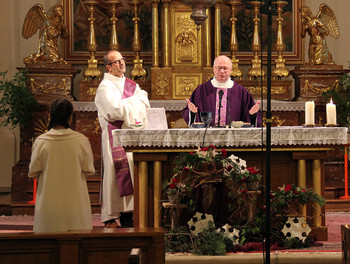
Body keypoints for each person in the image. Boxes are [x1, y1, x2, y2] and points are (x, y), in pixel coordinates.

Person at [94, 50, 150, 228]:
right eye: (117, 62)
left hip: (132, 135)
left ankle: (128, 214)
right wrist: (133, 103)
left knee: (131, 175)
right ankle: (110, 217)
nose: (122, 64)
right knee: (113, 175)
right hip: (115, 135)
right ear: (109, 67)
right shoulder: (105, 87)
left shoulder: (132, 85)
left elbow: (145, 103)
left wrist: (127, 103)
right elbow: (113, 111)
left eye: (123, 60)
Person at [28, 99, 95, 232]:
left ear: (50, 116)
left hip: (48, 207)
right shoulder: (81, 140)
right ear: (70, 117)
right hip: (76, 207)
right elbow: (89, 169)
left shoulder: (41, 141)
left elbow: (34, 171)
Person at [183, 55, 262, 127]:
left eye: (225, 68)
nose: (222, 71)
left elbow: (250, 118)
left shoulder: (241, 91)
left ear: (230, 70)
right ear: (214, 69)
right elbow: (191, 116)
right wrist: (192, 112)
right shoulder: (202, 90)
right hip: (208, 137)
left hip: (233, 138)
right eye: (219, 68)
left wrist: (252, 115)